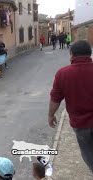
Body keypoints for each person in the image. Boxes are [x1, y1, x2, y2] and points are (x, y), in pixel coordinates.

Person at [48, 40, 93, 173]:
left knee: (88, 153)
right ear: (89, 54)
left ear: (72, 54)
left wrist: (51, 115)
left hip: (80, 124)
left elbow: (55, 99)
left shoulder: (63, 73)